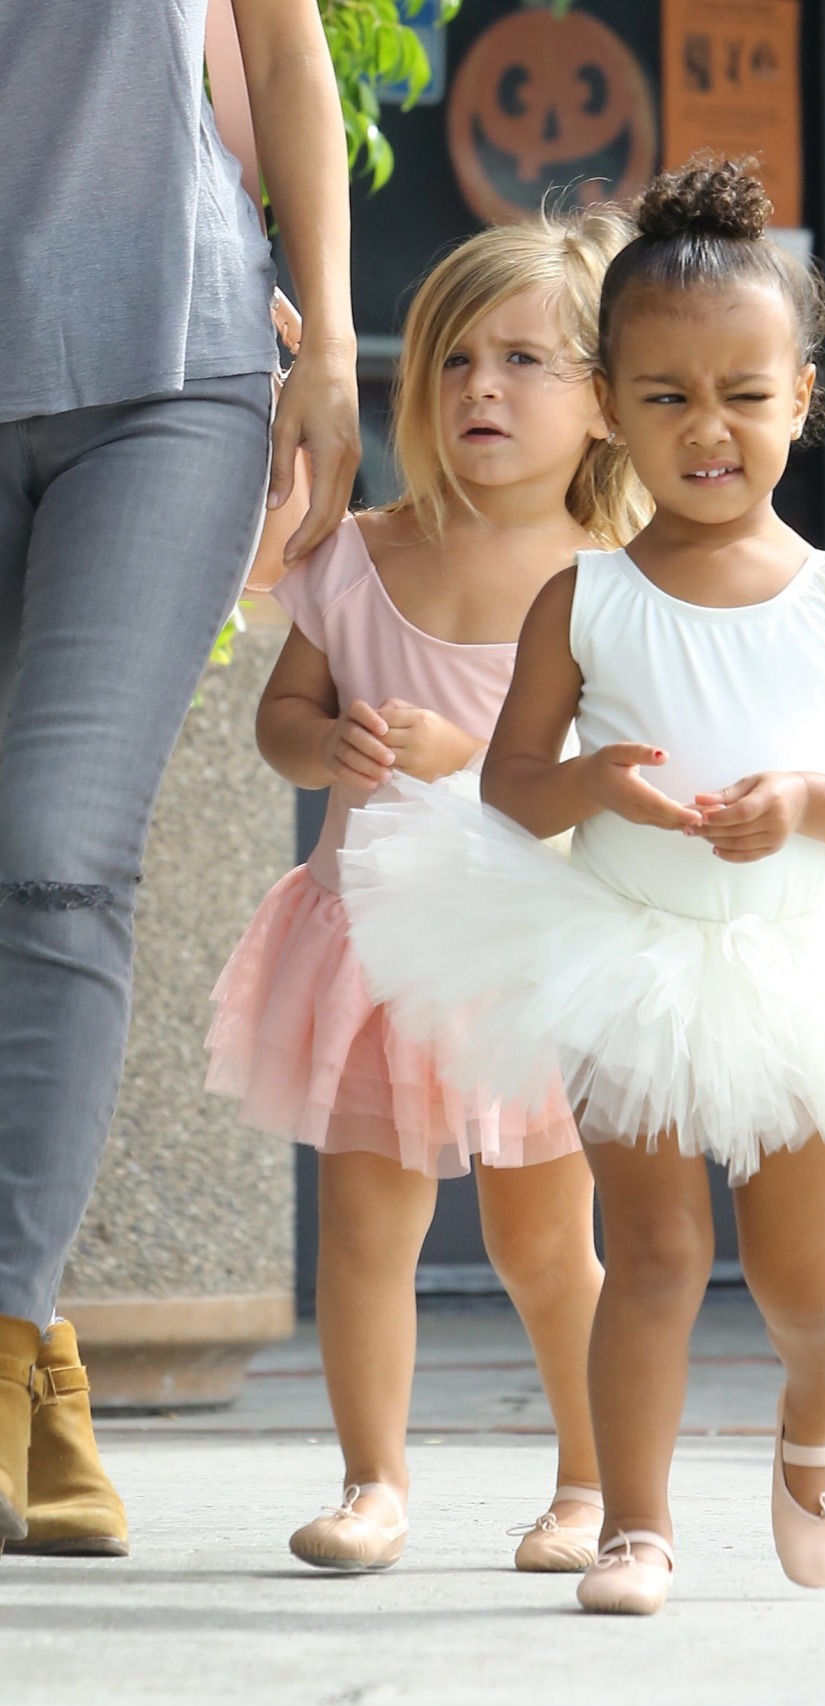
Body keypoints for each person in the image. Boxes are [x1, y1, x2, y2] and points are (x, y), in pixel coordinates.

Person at [340, 157, 825, 1614]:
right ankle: (637, 1526)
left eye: (742, 392)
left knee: (806, 1288)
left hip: (800, 959)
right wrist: (592, 784)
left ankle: (815, 1417)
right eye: (664, 396)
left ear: (802, 396)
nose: (706, 427)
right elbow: (509, 782)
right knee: (653, 1253)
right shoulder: (583, 594)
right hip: (625, 947)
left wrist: (807, 801)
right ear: (608, 404)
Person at [206, 210, 648, 1573]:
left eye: (525, 360)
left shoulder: (611, 587)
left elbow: (624, 763)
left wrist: (490, 758)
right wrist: (317, 741)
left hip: (529, 951)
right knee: (364, 1228)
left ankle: (588, 1483)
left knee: (542, 1238)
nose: (481, 389)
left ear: (603, 407)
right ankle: (373, 1481)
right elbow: (286, 714)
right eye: (454, 361)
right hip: (375, 954)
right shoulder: (358, 555)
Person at [0, 0, 360, 1556]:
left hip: (169, 364)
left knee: (56, 850)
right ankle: (41, 1366)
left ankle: (0, 1341)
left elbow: (284, 53)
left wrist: (333, 339)